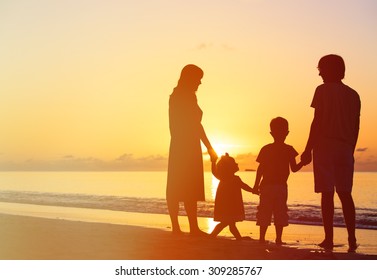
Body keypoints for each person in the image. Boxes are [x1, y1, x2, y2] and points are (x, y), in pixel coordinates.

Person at [301, 54, 361, 252]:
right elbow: (355, 127)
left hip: (324, 146)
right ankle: (352, 238)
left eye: (320, 69)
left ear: (328, 70)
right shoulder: (354, 95)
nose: (319, 73)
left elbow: (316, 122)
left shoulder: (321, 90)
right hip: (345, 147)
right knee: (346, 194)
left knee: (327, 195)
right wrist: (349, 148)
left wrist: (307, 149)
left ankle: (329, 238)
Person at [166, 64, 218, 236]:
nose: (200, 83)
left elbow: (195, 125)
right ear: (190, 78)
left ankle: (182, 227)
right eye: (198, 79)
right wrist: (209, 147)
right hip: (185, 145)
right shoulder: (183, 97)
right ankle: (183, 227)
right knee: (182, 185)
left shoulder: (179, 95)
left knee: (183, 185)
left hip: (183, 144)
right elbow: (196, 125)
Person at [252, 117, 304, 245]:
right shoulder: (288, 149)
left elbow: (260, 169)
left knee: (265, 211)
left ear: (271, 133)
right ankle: (278, 239)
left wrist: (255, 185)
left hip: (268, 186)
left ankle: (263, 238)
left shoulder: (267, 149)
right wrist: (303, 162)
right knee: (279, 211)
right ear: (287, 132)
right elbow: (295, 169)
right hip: (279, 187)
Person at [210, 153, 253, 240]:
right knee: (227, 222)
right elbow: (244, 186)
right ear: (229, 168)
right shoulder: (231, 178)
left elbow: (214, 172)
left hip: (228, 205)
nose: (237, 164)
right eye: (234, 163)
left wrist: (213, 162)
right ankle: (212, 235)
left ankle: (238, 237)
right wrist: (253, 190)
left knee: (230, 223)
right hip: (230, 206)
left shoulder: (224, 178)